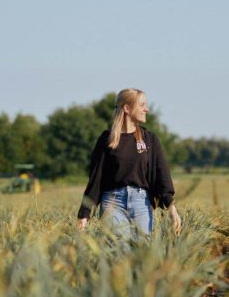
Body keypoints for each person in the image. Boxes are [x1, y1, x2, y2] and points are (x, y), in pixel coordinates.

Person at [76, 88, 182, 239]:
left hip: (142, 204)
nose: (147, 109)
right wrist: (84, 214)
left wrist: (172, 209)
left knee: (141, 254)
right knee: (118, 254)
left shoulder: (150, 139)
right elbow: (95, 180)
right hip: (112, 204)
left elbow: (162, 176)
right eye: (142, 105)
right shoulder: (106, 140)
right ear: (127, 108)